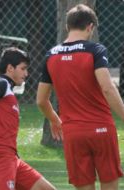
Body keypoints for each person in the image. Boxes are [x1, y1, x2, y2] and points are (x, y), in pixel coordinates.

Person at [37, 4, 124, 190]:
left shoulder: (50, 55)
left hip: (73, 133)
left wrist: (54, 119)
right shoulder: (95, 50)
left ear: (67, 27)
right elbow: (107, 88)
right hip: (101, 130)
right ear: (90, 27)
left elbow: (41, 100)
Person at [0, 47, 57, 190]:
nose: (26, 73)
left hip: (12, 158)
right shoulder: (0, 83)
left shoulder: (8, 90)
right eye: (23, 69)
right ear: (10, 68)